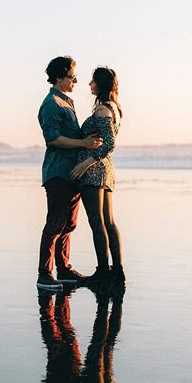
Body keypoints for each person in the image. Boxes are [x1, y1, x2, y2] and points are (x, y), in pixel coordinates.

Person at [37, 56, 103, 291]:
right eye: (72, 76)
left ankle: (63, 269)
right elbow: (53, 138)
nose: (76, 80)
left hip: (72, 173)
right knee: (55, 223)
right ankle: (44, 274)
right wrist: (84, 143)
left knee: (69, 224)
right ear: (58, 77)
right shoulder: (51, 104)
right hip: (57, 173)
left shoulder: (67, 101)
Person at [69, 67, 125, 283]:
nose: (89, 85)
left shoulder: (102, 110)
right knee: (108, 222)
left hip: (94, 171)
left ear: (100, 85)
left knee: (97, 221)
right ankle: (116, 272)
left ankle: (103, 272)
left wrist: (85, 164)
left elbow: (110, 143)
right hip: (105, 170)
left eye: (92, 82)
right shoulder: (114, 108)